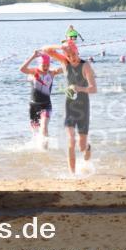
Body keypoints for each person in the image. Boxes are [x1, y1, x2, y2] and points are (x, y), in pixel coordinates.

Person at [42, 40, 97, 174]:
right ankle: (72, 174)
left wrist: (79, 88)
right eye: (69, 55)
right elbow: (46, 49)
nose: (72, 58)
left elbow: (93, 89)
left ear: (77, 51)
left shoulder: (86, 66)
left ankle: (87, 148)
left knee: (82, 146)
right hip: (70, 106)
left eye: (74, 54)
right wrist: (60, 47)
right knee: (71, 141)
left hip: (83, 107)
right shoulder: (64, 62)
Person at [19, 50, 63, 148]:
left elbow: (66, 67)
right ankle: (39, 150)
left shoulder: (52, 73)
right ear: (39, 64)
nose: (46, 67)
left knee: (44, 127)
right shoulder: (34, 72)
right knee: (35, 132)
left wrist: (58, 55)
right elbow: (22, 69)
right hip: (33, 106)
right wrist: (33, 56)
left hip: (46, 105)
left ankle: (45, 151)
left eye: (47, 65)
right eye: (44, 65)